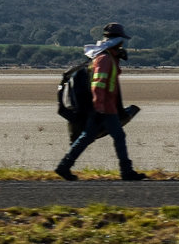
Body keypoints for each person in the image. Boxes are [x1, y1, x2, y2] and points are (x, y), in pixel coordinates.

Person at [54, 23, 148, 181]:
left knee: (90, 137)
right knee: (112, 137)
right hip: (103, 109)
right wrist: (99, 108)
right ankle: (126, 171)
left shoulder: (107, 57)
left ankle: (64, 166)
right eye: (121, 41)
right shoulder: (104, 59)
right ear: (117, 40)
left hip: (106, 108)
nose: (122, 44)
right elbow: (98, 85)